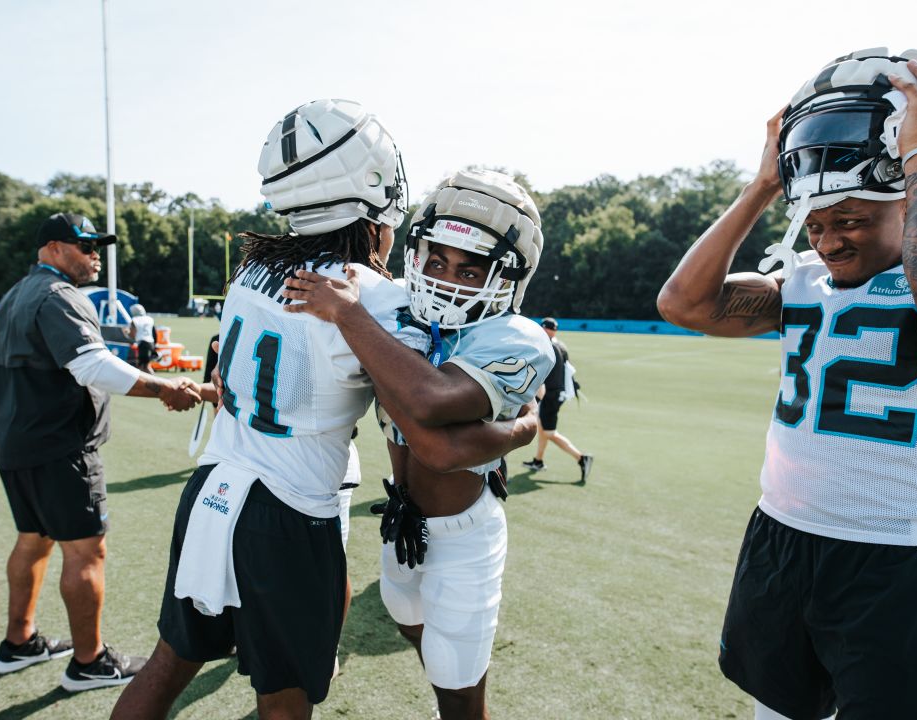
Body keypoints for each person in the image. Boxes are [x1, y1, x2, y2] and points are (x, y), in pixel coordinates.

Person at [112, 101, 534, 720]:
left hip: (212, 488)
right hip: (287, 513)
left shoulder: (251, 269)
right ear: (373, 189)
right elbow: (430, 418)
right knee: (285, 702)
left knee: (168, 664)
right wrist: (523, 423)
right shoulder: (376, 296)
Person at [656, 49, 917, 720]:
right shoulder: (800, 283)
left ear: (909, 200)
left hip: (901, 557)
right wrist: (759, 186)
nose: (829, 241)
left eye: (851, 220)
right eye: (816, 222)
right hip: (785, 534)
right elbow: (683, 304)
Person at [282, 168, 554, 720]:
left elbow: (437, 434)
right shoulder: (391, 306)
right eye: (436, 260)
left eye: (469, 269)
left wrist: (352, 316)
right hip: (403, 517)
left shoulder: (517, 337)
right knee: (406, 615)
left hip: (465, 533)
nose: (446, 277)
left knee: (458, 685)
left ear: (504, 280)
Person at [0, 212, 203, 692]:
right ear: (52, 249)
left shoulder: (13, 297)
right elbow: (92, 366)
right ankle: (89, 662)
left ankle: (18, 642)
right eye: (85, 246)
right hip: (59, 444)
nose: (94, 256)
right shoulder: (58, 296)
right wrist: (164, 387)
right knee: (86, 550)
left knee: (32, 539)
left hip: (15, 441)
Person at [521, 317, 592, 483]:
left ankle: (581, 458)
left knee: (549, 432)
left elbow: (540, 371)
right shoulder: (560, 345)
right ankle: (538, 461)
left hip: (551, 395)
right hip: (558, 393)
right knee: (542, 425)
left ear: (545, 329)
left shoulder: (548, 346)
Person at [126, 303, 156, 373]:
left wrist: (126, 333)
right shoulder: (149, 319)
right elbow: (154, 332)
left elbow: (132, 334)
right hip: (151, 343)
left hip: (143, 343)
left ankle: (156, 381)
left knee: (144, 366)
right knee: (144, 365)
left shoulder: (135, 320)